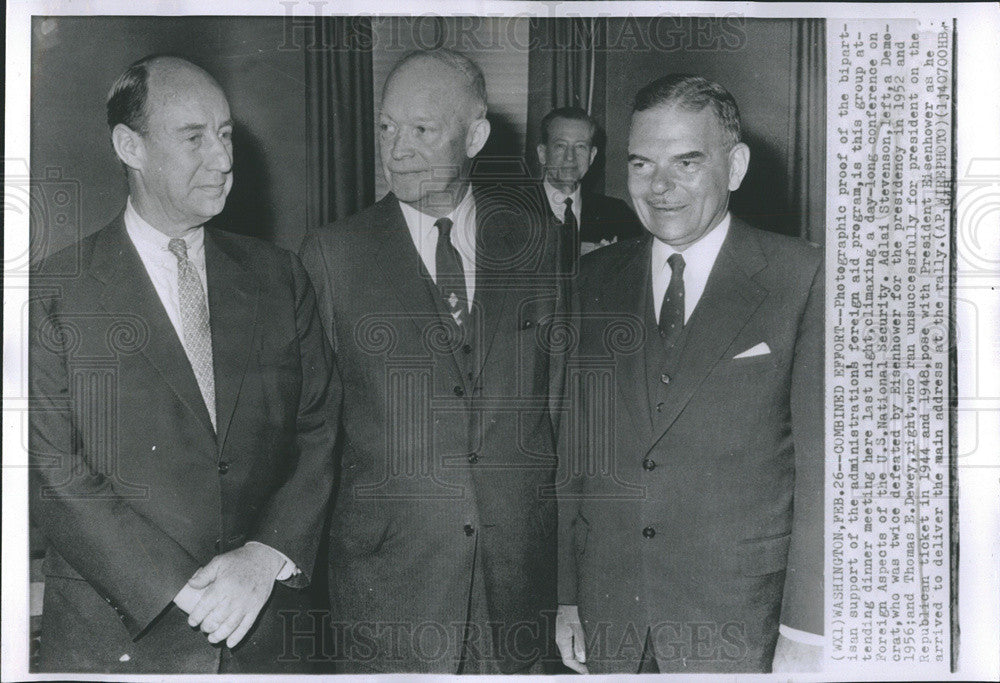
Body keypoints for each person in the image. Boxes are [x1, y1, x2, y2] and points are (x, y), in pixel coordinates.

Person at [29, 55, 338, 673]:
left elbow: (320, 430)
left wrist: (264, 556)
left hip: (268, 635)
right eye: (194, 137)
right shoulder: (53, 292)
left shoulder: (281, 277)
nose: (223, 160)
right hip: (123, 640)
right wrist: (184, 589)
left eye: (226, 135)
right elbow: (53, 470)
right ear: (129, 146)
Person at [300, 49, 563, 674]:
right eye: (388, 128)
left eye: (423, 130)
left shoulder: (538, 241)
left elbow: (559, 404)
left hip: (518, 579)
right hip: (391, 585)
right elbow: (310, 431)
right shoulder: (333, 256)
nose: (398, 150)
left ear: (475, 136)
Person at [555, 74, 824, 674]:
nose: (660, 186)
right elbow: (577, 451)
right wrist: (568, 595)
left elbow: (823, 470)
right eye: (641, 164)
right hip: (611, 613)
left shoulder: (801, 277)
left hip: (740, 615)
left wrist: (808, 627)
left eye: (687, 161)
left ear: (735, 167)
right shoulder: (592, 281)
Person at [534, 106, 643, 269]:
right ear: (543, 154)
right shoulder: (512, 209)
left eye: (580, 147)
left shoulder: (618, 214)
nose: (570, 158)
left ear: (591, 156)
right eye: (560, 146)